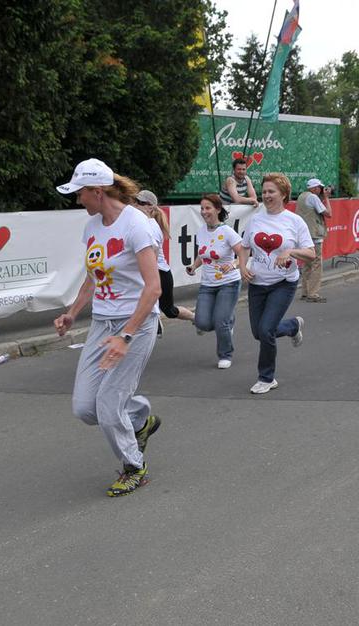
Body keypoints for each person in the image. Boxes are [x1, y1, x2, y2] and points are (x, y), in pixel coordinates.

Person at [53, 158, 163, 497]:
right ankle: (141, 419)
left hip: (136, 323)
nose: (78, 200)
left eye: (80, 194)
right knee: (85, 407)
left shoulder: (137, 226)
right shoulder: (92, 227)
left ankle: (134, 466)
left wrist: (126, 336)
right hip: (103, 322)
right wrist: (72, 313)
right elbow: (94, 276)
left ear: (97, 192)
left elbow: (153, 288)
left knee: (109, 403)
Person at [237, 173, 314, 394]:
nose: (267, 195)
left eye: (272, 191)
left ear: (283, 194)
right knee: (258, 332)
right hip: (257, 283)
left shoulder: (294, 221)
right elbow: (244, 247)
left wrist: (291, 252)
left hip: (283, 283)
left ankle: (266, 377)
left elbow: (311, 253)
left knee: (266, 330)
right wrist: (242, 266)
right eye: (264, 191)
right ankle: (292, 326)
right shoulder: (255, 220)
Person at [186, 194, 244, 369]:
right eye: (202, 208)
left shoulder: (227, 231)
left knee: (220, 322)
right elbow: (203, 254)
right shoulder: (201, 231)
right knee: (202, 323)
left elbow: (243, 253)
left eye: (208, 208)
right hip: (207, 284)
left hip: (229, 283)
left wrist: (233, 265)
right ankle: (228, 320)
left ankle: (225, 354)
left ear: (218, 209)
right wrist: (194, 266)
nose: (204, 212)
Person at [133, 189, 194, 331]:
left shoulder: (151, 226)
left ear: (150, 206)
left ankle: (194, 318)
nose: (134, 205)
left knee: (169, 310)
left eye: (139, 202)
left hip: (160, 273)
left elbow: (151, 259)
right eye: (134, 201)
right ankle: (153, 322)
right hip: (152, 272)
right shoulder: (138, 223)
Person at [296, 178, 332, 302]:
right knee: (316, 264)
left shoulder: (301, 196)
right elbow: (328, 213)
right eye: (320, 188)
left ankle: (305, 292)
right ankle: (313, 293)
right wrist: (326, 198)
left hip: (304, 235)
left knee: (307, 263)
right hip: (315, 235)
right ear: (315, 188)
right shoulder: (313, 198)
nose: (321, 190)